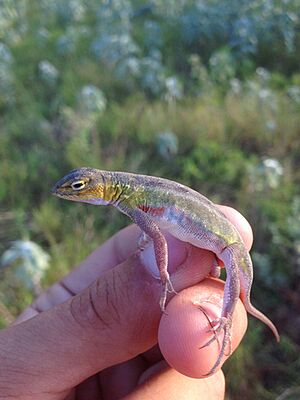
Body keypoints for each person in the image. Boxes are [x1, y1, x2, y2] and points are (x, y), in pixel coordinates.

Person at [0, 205, 251, 400]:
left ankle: (226, 318)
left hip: (224, 243)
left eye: (80, 188)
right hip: (217, 240)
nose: (75, 194)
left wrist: (162, 271)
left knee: (224, 298)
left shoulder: (131, 202)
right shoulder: (131, 201)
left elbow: (159, 238)